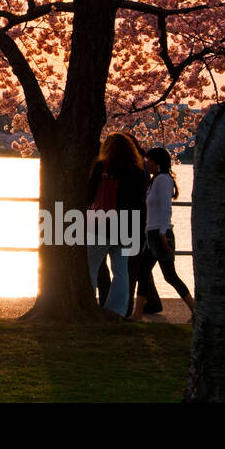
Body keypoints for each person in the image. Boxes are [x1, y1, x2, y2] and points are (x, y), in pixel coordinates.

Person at [86, 132, 145, 317]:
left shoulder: (100, 167)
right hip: (127, 226)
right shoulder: (137, 170)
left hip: (101, 225)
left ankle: (88, 305)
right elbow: (139, 202)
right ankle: (116, 311)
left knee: (91, 266)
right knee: (121, 271)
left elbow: (89, 195)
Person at [132, 147, 195, 321]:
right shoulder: (156, 180)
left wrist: (161, 233)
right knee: (144, 272)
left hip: (161, 235)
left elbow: (166, 209)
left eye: (149, 160)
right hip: (152, 235)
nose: (146, 163)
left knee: (169, 275)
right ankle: (137, 314)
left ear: (157, 162)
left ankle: (197, 310)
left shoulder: (163, 180)